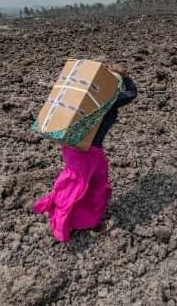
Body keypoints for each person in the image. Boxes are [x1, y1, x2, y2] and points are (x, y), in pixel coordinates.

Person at [33, 63, 138, 242]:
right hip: (90, 152)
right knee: (96, 187)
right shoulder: (109, 100)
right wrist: (125, 76)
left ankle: (62, 209)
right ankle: (92, 224)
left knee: (73, 180)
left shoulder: (77, 98)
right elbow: (132, 93)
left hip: (69, 145)